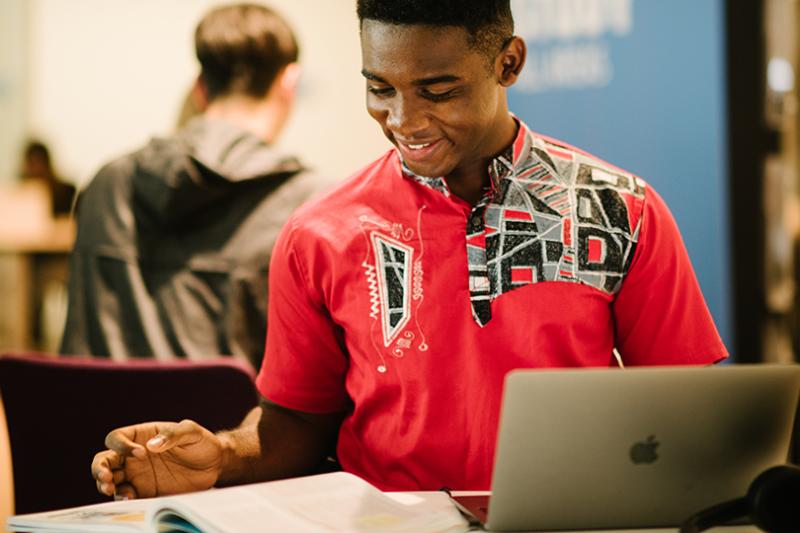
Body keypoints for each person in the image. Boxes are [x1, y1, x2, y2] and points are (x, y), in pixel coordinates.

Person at [91, 0, 727, 498]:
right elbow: (297, 426)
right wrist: (222, 456)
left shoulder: (621, 210)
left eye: (438, 90)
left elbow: (688, 421)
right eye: (380, 87)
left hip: (570, 520)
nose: (404, 120)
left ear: (509, 63)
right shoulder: (320, 233)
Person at [60, 3, 318, 369]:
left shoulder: (107, 184)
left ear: (200, 88)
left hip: (99, 426)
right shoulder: (308, 205)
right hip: (228, 427)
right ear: (288, 84)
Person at [20, 140, 76, 216]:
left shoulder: (67, 193)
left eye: (38, 163)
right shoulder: (20, 198)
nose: (35, 170)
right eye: (32, 164)